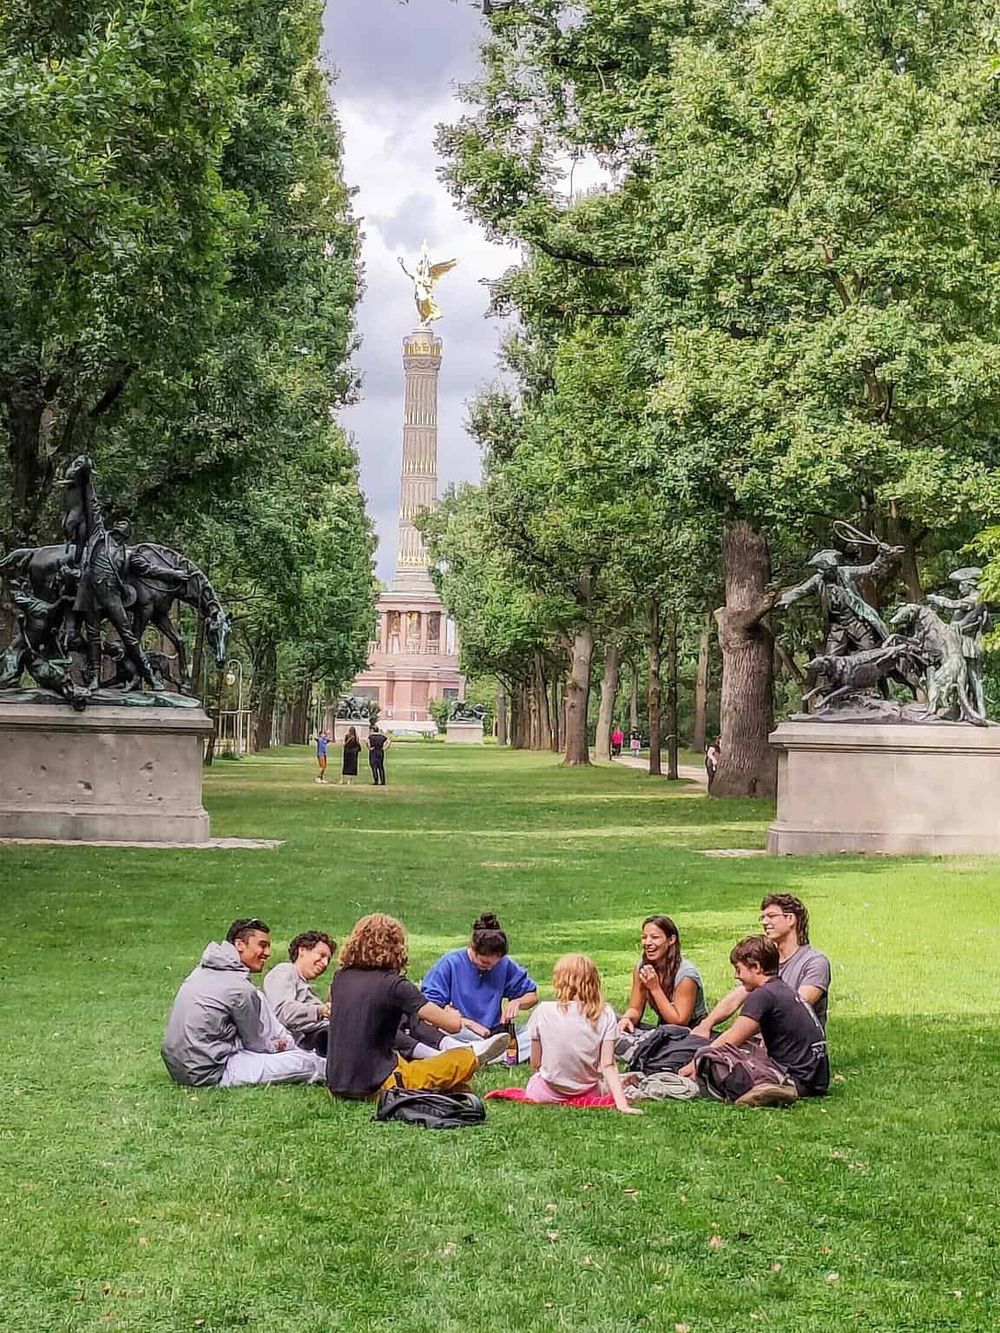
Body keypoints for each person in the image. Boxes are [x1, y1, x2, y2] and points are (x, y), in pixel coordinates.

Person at [325, 913, 509, 1098]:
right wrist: (454, 1016)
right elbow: (451, 1025)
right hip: (376, 1083)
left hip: (336, 1083)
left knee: (405, 1058)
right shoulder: (394, 985)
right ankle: (471, 1054)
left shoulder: (340, 978)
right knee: (447, 1065)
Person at [162, 918, 325, 1087]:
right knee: (305, 1064)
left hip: (178, 1067)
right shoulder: (240, 988)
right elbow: (256, 1044)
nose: (268, 953)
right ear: (240, 944)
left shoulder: (201, 971)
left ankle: (293, 1046)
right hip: (211, 1070)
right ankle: (332, 1068)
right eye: (262, 945)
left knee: (258, 997)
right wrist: (279, 1047)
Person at [680, 936, 829, 1106]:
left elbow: (732, 1038)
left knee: (713, 1057)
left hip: (796, 1078)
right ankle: (771, 1085)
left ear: (756, 967)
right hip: (816, 1080)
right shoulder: (782, 989)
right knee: (743, 1047)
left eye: (738, 970)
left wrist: (696, 1062)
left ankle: (771, 1086)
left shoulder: (763, 994)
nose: (736, 976)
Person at [691, 893, 831, 1037]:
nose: (764, 922)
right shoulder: (766, 958)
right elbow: (735, 997)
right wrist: (705, 1025)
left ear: (790, 919)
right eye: (763, 917)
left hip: (792, 1051)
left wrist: (733, 1036)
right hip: (758, 1044)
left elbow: (795, 1009)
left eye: (771, 916)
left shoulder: (815, 963)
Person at [524, 955, 640, 1114]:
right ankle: (618, 1086)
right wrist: (622, 1104)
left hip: (545, 1093)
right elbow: (608, 1065)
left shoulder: (543, 1010)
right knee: (599, 1084)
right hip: (587, 1091)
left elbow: (535, 1063)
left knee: (535, 1080)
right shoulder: (605, 1014)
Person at [421, 912, 538, 1054]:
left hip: (494, 1032)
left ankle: (487, 1052)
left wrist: (517, 1002)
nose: (489, 968)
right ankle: (493, 1052)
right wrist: (466, 1022)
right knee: (434, 1033)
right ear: (473, 948)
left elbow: (532, 996)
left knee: (538, 1028)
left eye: (494, 965)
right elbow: (428, 1008)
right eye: (484, 962)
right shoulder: (450, 963)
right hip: (460, 1031)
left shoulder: (504, 965)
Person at [618, 914, 709, 1034]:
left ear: (671, 940)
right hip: (664, 1029)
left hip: (693, 1032)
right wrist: (627, 1018)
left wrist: (654, 988)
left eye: (655, 937)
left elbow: (679, 1022)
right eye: (644, 937)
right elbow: (635, 1008)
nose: (647, 943)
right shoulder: (642, 967)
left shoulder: (686, 975)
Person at [262, 930, 335, 1055]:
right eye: (321, 955)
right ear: (302, 950)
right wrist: (321, 1011)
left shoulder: (304, 986)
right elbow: (282, 1012)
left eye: (328, 959)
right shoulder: (285, 971)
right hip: (307, 1042)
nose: (325, 963)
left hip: (321, 1037)